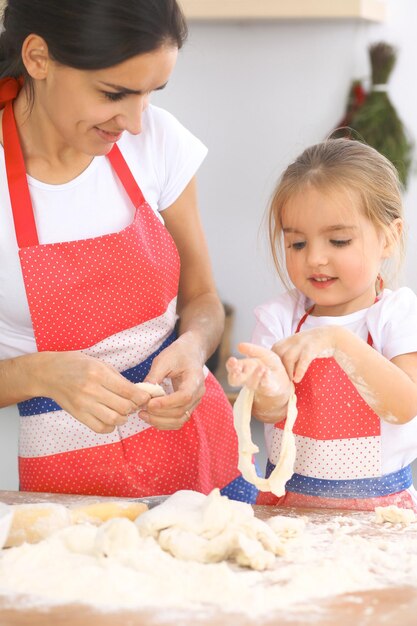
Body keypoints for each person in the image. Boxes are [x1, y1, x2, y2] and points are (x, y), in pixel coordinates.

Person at [0, 0, 257, 503]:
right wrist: (39, 374)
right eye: (114, 93)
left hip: (199, 454)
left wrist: (192, 347)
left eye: (150, 94)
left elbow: (202, 297)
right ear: (37, 58)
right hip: (69, 484)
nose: (136, 122)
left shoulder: (158, 142)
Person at [227, 138, 417, 511]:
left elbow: (404, 406)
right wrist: (266, 385)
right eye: (297, 244)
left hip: (380, 513)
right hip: (287, 508)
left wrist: (336, 341)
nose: (314, 258)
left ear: (389, 238)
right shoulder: (278, 318)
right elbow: (269, 412)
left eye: (339, 240)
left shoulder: (397, 314)